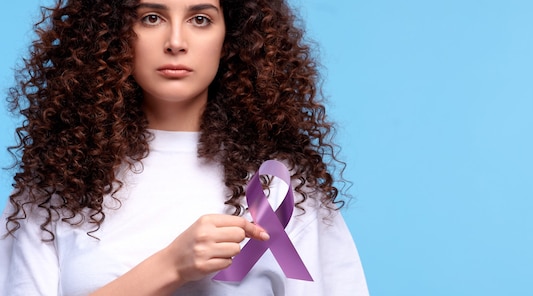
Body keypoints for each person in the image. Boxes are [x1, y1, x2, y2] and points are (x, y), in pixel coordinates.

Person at [0, 0, 369, 295]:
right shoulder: (56, 183)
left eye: (201, 19)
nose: (176, 41)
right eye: (150, 17)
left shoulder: (282, 186)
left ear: (233, 36)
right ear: (112, 34)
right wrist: (170, 267)